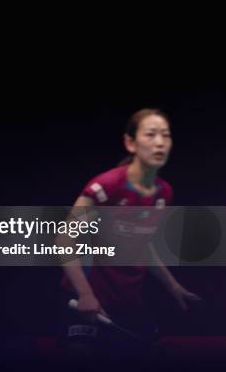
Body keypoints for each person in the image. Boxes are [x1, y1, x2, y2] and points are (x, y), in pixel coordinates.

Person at [58, 108, 201, 358]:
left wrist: (173, 286)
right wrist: (86, 295)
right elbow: (64, 237)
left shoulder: (163, 193)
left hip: (127, 301)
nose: (159, 142)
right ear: (130, 143)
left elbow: (141, 243)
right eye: (151, 134)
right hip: (88, 301)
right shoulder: (106, 186)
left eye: (165, 135)